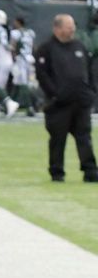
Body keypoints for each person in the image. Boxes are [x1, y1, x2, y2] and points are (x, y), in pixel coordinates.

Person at [35, 14, 98, 182]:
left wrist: (91, 92)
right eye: (68, 26)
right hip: (59, 105)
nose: (72, 30)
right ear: (57, 28)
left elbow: (90, 71)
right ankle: (57, 172)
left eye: (72, 26)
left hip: (81, 101)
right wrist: (55, 94)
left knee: (84, 137)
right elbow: (42, 74)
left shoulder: (80, 46)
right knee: (58, 139)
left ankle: (90, 171)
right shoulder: (46, 49)